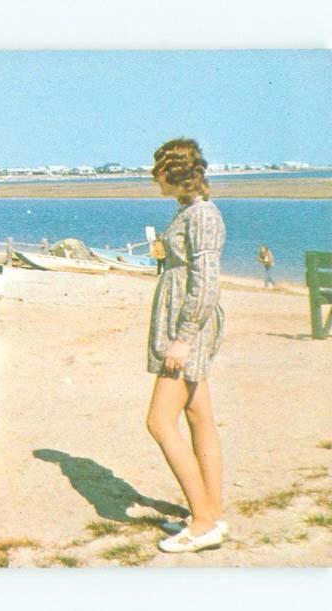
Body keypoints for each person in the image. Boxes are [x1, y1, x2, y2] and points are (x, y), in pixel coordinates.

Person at [146, 138, 228, 553]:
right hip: (184, 320)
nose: (153, 176)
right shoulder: (189, 212)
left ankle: (201, 522)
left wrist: (182, 338)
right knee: (199, 417)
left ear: (175, 172)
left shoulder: (203, 216)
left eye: (158, 169)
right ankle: (211, 511)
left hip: (188, 326)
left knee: (159, 422)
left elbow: (207, 283)